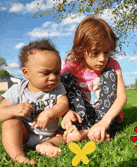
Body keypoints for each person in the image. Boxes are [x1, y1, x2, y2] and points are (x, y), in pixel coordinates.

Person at [0, 39, 69, 165]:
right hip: (25, 134)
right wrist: (14, 110)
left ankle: (47, 145)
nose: (53, 77)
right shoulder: (18, 90)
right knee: (9, 124)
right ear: (26, 73)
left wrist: (49, 113)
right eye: (46, 73)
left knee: (67, 136)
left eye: (57, 72)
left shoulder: (58, 88)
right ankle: (19, 156)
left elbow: (63, 105)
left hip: (51, 134)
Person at [60, 15, 127, 143]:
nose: (102, 59)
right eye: (95, 53)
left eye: (106, 52)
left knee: (109, 73)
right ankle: (90, 132)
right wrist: (66, 113)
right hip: (81, 117)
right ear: (80, 50)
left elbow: (122, 96)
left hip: (106, 117)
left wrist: (105, 122)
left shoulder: (112, 65)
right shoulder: (71, 67)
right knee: (65, 78)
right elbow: (59, 96)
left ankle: (91, 132)